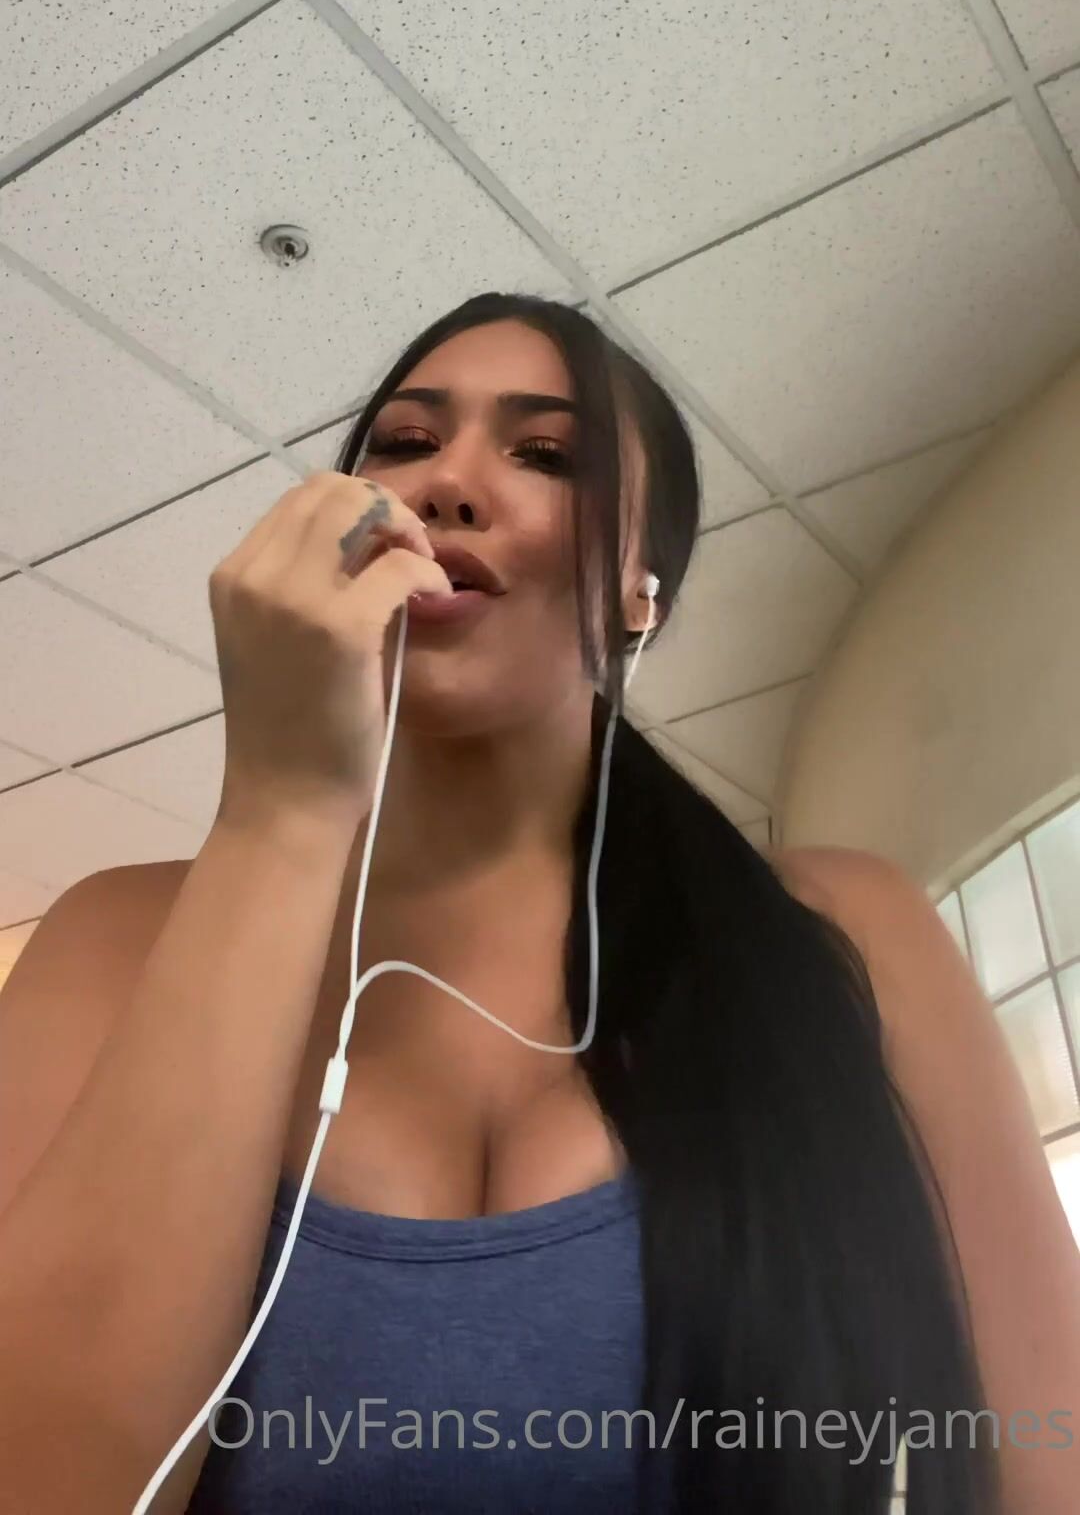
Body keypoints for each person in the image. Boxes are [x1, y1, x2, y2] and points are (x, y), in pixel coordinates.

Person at [0, 290, 1076, 1515]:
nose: (449, 483)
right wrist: (280, 813)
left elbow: (1054, 1455)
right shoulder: (114, 941)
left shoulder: (840, 936)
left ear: (639, 595)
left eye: (547, 455)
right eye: (406, 442)